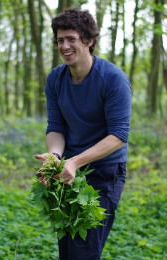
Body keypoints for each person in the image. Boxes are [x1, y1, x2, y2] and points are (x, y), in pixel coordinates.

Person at [35, 8, 132, 260]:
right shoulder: (55, 79)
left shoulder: (113, 79)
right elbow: (56, 126)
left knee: (84, 252)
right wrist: (55, 158)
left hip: (104, 173)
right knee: (67, 248)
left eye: (71, 39)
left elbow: (119, 134)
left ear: (88, 40)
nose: (64, 46)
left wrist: (75, 161)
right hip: (68, 172)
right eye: (59, 40)